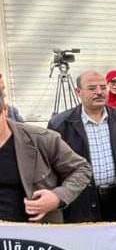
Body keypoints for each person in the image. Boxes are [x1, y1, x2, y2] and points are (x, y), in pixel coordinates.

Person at [48, 71, 116, 222]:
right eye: (92, 88)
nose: (99, 92)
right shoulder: (60, 124)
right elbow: (54, 168)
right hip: (81, 200)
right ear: (78, 92)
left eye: (103, 87)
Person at [0, 89, 91, 223]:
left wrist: (57, 197)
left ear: (5, 111)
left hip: (37, 232)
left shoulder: (42, 139)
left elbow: (82, 169)